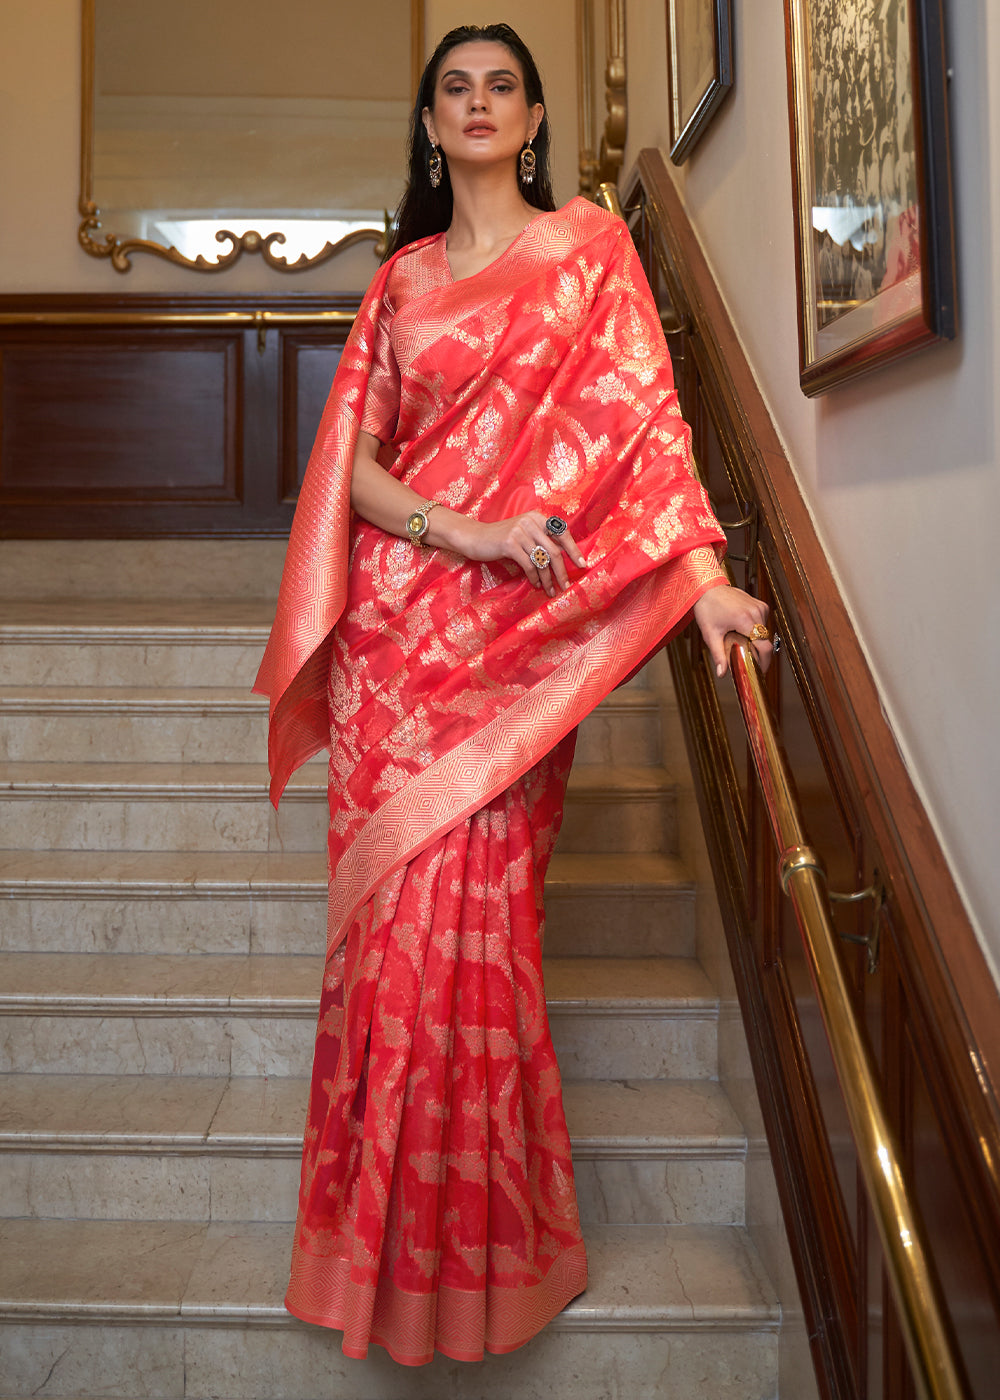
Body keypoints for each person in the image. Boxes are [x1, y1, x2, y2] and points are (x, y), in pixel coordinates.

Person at [254, 21, 771, 1369]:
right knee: (388, 959)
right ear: (430, 126)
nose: (478, 106)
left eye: (501, 88)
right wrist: (462, 533)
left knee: (474, 942)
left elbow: (650, 430)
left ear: (534, 116)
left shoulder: (593, 250)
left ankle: (485, 1265)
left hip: (517, 660)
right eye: (454, 90)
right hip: (400, 644)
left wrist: (703, 582)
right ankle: (373, 1265)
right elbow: (347, 474)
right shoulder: (403, 283)